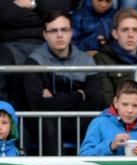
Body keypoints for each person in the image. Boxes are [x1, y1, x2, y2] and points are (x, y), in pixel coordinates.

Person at [23, 10, 103, 156]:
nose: (59, 35)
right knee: (45, 120)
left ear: (71, 32)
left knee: (97, 120)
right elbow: (37, 105)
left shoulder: (85, 61)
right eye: (53, 30)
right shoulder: (34, 61)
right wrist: (78, 96)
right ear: (45, 35)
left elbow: (94, 103)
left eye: (64, 30)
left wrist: (52, 100)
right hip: (47, 123)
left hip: (77, 120)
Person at [80, 79, 137, 156]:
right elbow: (84, 155)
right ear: (116, 102)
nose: (130, 110)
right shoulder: (99, 123)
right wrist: (110, 146)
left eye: (135, 105)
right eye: (125, 104)